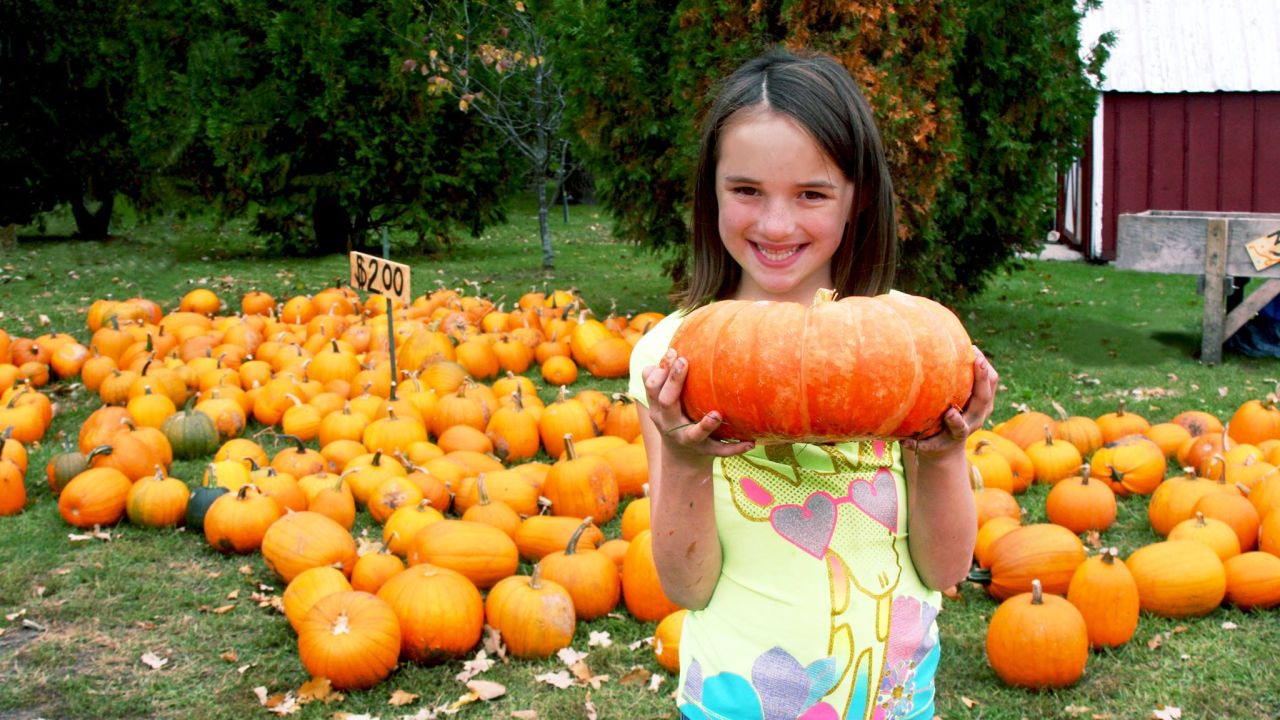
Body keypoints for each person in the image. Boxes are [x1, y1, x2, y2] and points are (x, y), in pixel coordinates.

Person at [627, 47, 999, 720]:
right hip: (738, 703)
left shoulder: (900, 348)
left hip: (893, 702)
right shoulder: (673, 356)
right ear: (710, 191)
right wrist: (683, 458)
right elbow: (687, 585)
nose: (775, 225)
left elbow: (945, 570)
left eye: (812, 194)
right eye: (746, 191)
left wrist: (942, 454)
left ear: (856, 198)